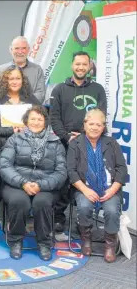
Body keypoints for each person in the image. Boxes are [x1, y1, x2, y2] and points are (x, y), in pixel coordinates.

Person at [0, 106, 67, 261]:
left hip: (46, 185)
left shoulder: (56, 142)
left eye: (40, 119)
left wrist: (41, 185)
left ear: (45, 122)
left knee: (42, 202)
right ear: (26, 121)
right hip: (16, 184)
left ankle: (44, 242)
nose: (36, 122)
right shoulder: (14, 139)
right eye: (33, 119)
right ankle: (15, 241)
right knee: (19, 201)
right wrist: (23, 183)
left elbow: (61, 172)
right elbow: (4, 165)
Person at [50, 51, 107, 233]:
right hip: (63, 143)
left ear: (89, 66)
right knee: (62, 181)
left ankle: (82, 219)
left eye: (84, 64)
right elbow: (54, 118)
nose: (81, 67)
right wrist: (67, 137)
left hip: (89, 144)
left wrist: (83, 138)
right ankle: (58, 217)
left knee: (84, 181)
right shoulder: (59, 89)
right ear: (72, 65)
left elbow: (100, 117)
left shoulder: (98, 89)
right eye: (77, 64)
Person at [67, 109, 127, 263]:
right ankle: (86, 240)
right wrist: (85, 190)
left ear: (103, 127)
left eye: (98, 124)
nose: (94, 127)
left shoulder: (111, 143)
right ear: (85, 125)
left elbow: (121, 169)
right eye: (91, 124)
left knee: (112, 210)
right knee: (84, 207)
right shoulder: (75, 143)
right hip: (84, 188)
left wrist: (113, 189)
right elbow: (71, 171)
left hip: (109, 189)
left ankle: (110, 245)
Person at [0, 65, 40, 148]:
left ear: (23, 80)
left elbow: (43, 118)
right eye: (11, 79)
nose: (15, 82)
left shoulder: (30, 98)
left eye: (18, 78)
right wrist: (8, 131)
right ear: (5, 81)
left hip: (28, 145)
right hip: (1, 145)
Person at [0, 36, 46, 103]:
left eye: (24, 48)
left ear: (28, 50)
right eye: (16, 48)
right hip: (7, 110)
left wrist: (22, 105)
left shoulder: (37, 70)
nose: (20, 52)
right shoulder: (2, 69)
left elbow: (40, 95)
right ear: (11, 50)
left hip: (31, 110)